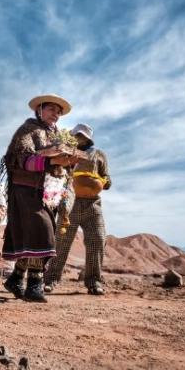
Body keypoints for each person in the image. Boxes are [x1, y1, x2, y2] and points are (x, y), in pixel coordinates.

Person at [1, 94, 79, 302]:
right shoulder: (28, 130)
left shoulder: (59, 138)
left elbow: (61, 165)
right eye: (52, 109)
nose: (56, 114)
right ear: (40, 110)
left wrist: (68, 161)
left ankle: (16, 278)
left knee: (35, 234)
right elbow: (20, 159)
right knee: (43, 231)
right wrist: (48, 161)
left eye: (59, 112)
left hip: (47, 192)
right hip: (26, 189)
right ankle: (35, 284)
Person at [44, 123, 112, 295]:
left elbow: (107, 178)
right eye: (77, 135)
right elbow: (54, 171)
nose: (79, 138)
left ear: (88, 138)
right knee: (62, 241)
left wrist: (101, 181)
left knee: (97, 239)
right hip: (70, 202)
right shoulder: (65, 152)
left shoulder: (99, 155)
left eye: (82, 136)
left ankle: (94, 282)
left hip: (92, 204)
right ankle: (51, 279)